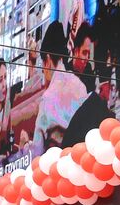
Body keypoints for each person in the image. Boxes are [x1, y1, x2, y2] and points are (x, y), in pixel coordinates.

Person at [35, 21, 91, 151]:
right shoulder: (80, 86)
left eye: (43, 64)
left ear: (47, 60)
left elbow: (37, 152)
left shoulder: (47, 99)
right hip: (83, 158)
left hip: (58, 166)